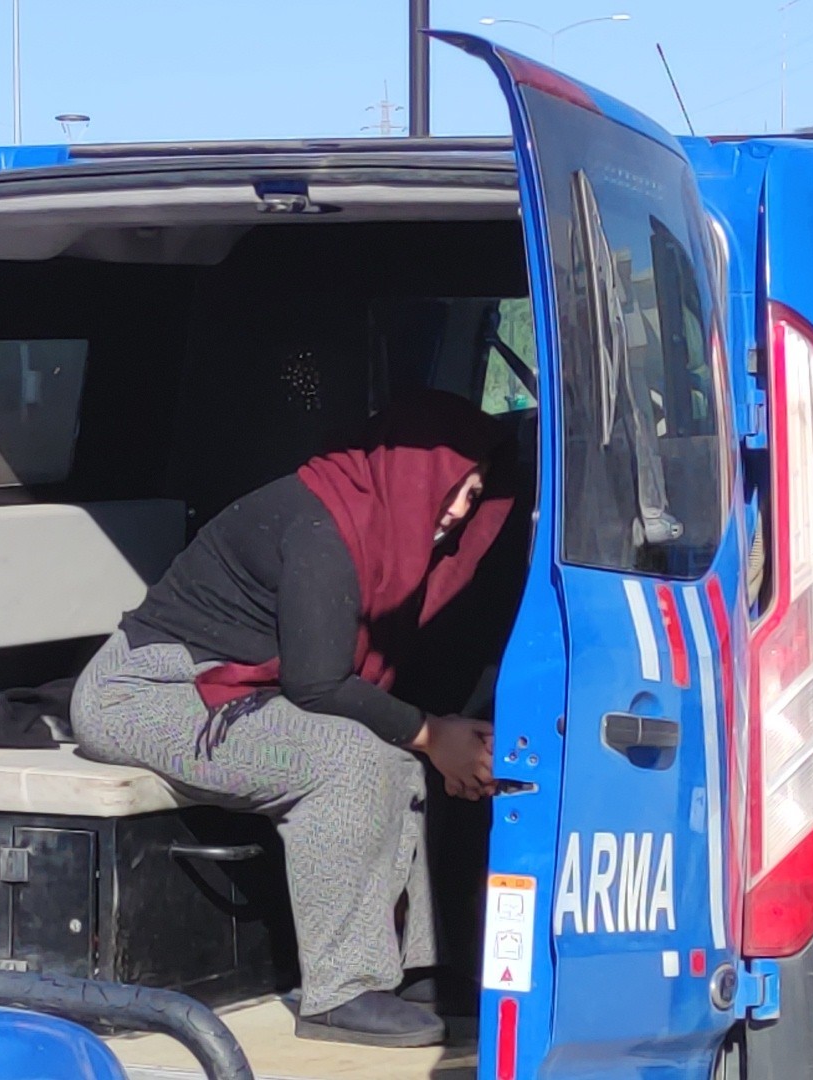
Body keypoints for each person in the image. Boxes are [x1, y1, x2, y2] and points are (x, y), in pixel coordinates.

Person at [71, 388, 512, 1048]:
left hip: (226, 692)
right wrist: (434, 735)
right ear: (409, 472)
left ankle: (414, 968)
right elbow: (317, 683)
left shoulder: (380, 525)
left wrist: (430, 739)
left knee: (391, 752)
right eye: (448, 489)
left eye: (471, 496)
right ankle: (343, 991)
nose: (454, 512)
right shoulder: (323, 524)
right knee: (351, 756)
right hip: (142, 695)